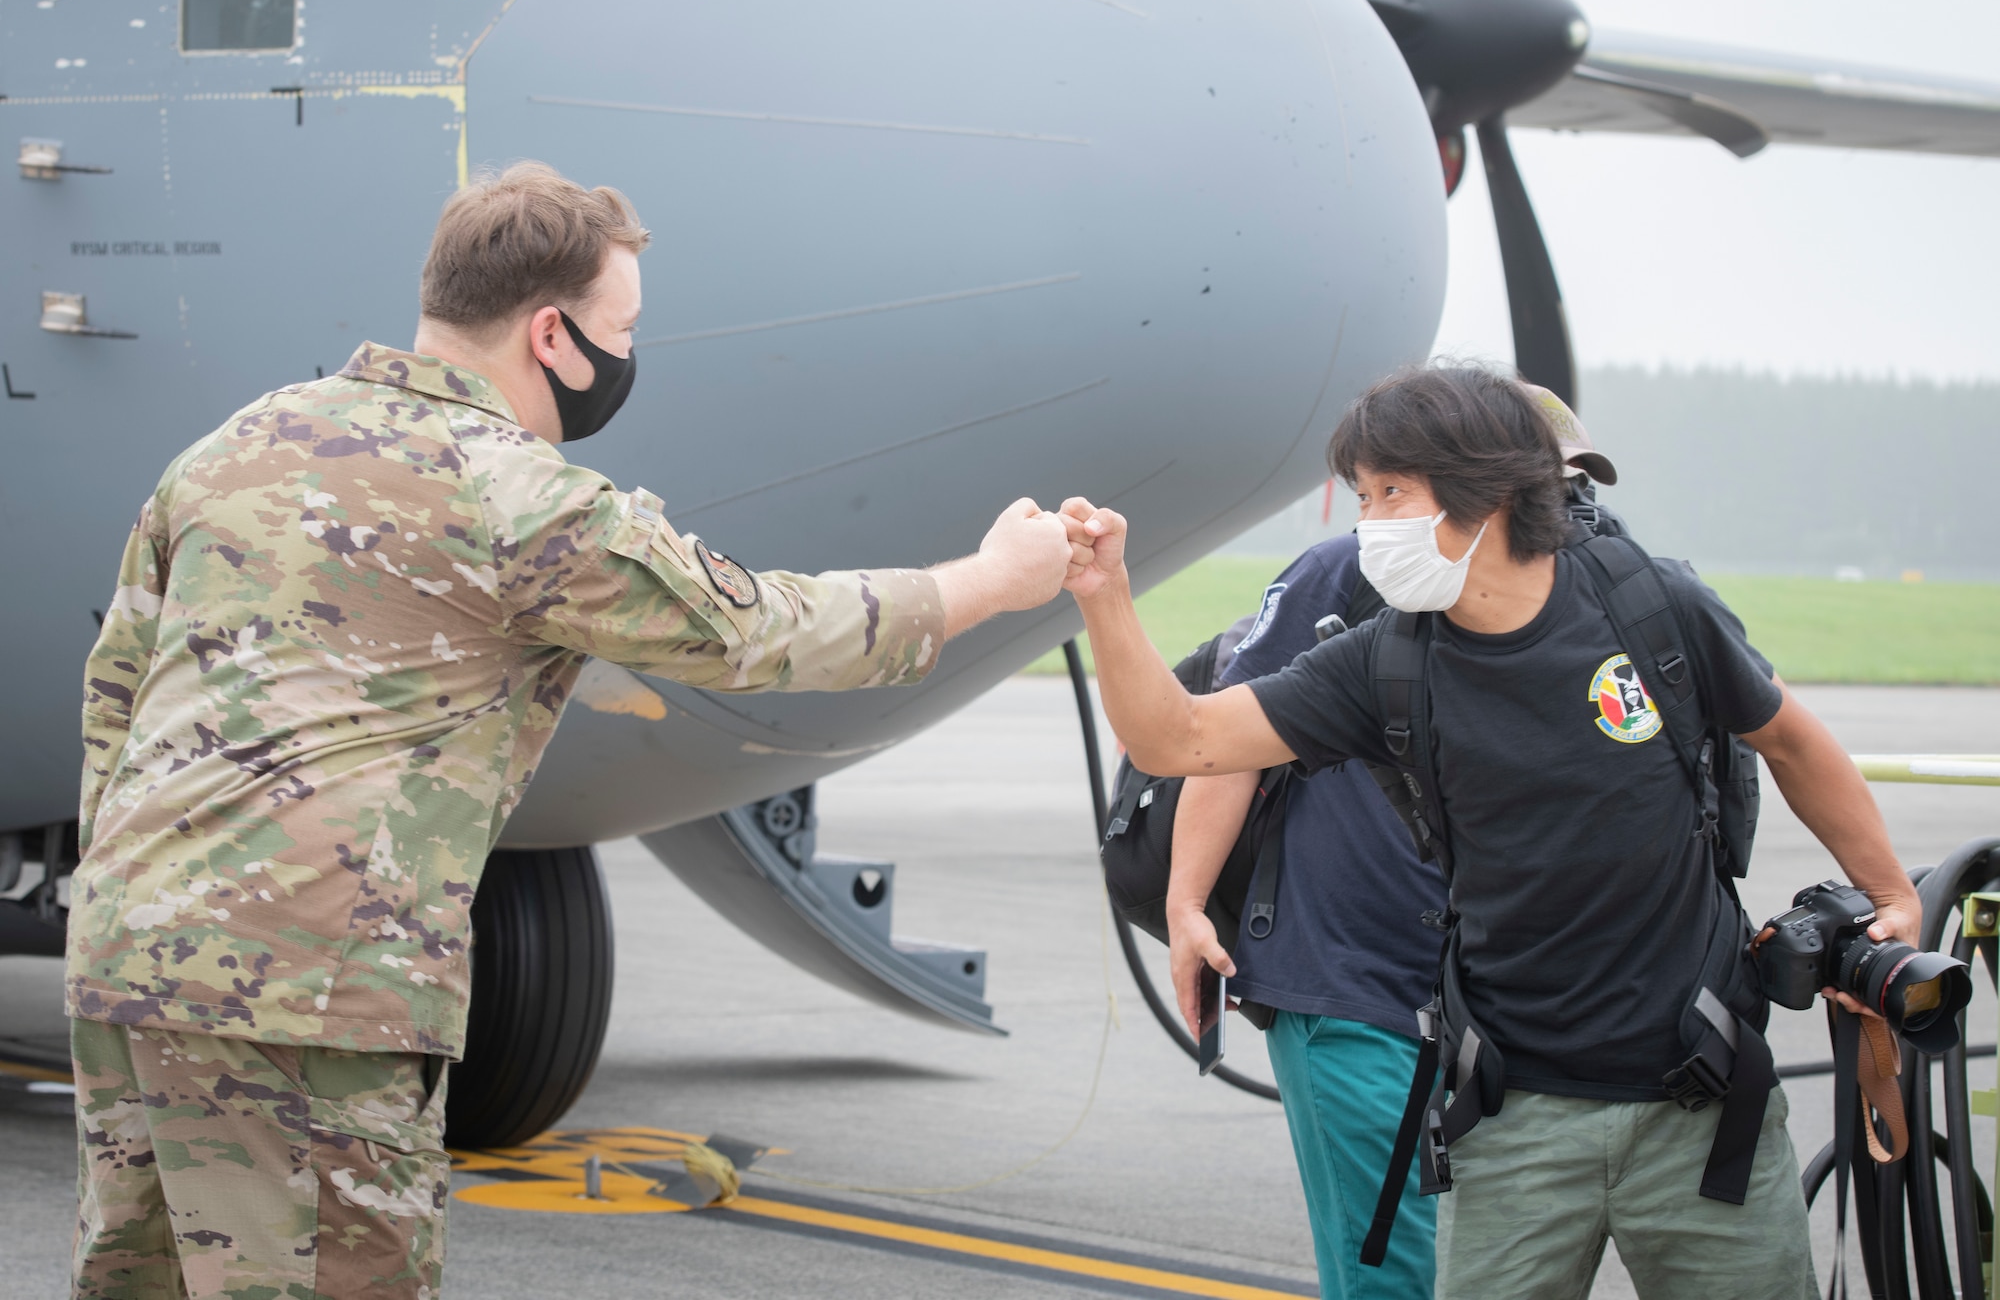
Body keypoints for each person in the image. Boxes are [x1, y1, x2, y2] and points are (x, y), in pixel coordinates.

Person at [67, 161, 1075, 1300]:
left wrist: (130, 887)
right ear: (551, 333)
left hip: (127, 954)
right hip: (308, 984)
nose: (628, 356)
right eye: (622, 327)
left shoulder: (239, 444)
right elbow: (756, 631)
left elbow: (118, 691)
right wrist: (991, 580)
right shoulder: (518, 498)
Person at [1062, 362, 1920, 1300]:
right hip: (1514, 1116)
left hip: (1704, 1099)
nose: (1371, 521)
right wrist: (1106, 596)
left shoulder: (1649, 604)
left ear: (1488, 492)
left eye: (1394, 491)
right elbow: (1184, 739)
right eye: (1364, 494)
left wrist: (1889, 893)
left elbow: (1788, 736)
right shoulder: (1383, 660)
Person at [1165, 388, 1620, 1300]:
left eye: (1577, 491)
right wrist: (1185, 904)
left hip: (1504, 1005)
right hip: (1354, 982)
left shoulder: (1605, 595)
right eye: (1549, 489)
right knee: (1398, 1272)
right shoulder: (1350, 572)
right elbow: (1219, 749)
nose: (1570, 514)